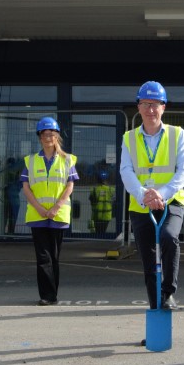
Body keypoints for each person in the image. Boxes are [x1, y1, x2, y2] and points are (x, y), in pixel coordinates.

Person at [120, 81, 184, 312]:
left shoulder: (177, 134)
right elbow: (126, 171)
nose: (151, 109)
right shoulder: (128, 138)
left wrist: (161, 194)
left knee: (170, 238)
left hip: (171, 202)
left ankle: (169, 292)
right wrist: (144, 196)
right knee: (149, 261)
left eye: (156, 104)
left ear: (164, 107)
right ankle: (155, 309)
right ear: (138, 107)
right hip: (141, 206)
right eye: (146, 104)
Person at [21, 117, 79, 305]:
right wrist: (39, 208)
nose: (48, 137)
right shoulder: (30, 161)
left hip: (58, 214)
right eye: (45, 134)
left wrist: (56, 207)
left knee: (54, 256)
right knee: (42, 257)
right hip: (37, 215)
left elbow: (70, 186)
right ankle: (47, 296)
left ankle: (52, 293)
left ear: (57, 136)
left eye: (52, 134)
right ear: (39, 137)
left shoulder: (67, 160)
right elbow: (26, 187)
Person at [88, 169, 114, 234]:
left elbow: (91, 200)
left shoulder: (94, 190)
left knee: (97, 233)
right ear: (107, 179)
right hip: (107, 216)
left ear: (98, 179)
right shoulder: (111, 190)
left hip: (96, 216)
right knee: (103, 232)